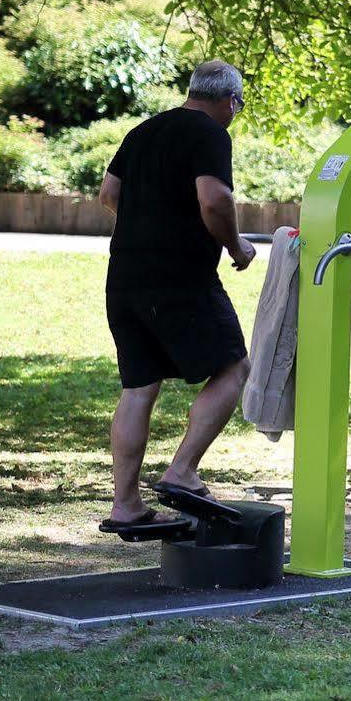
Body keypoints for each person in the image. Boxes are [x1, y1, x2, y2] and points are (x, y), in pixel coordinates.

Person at [96, 60, 257, 528]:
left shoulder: (142, 131)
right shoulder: (209, 134)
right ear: (229, 100)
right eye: (237, 106)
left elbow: (109, 194)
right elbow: (214, 200)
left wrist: (151, 221)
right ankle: (183, 471)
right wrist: (236, 245)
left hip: (125, 276)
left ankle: (125, 505)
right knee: (233, 367)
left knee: (139, 386)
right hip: (180, 279)